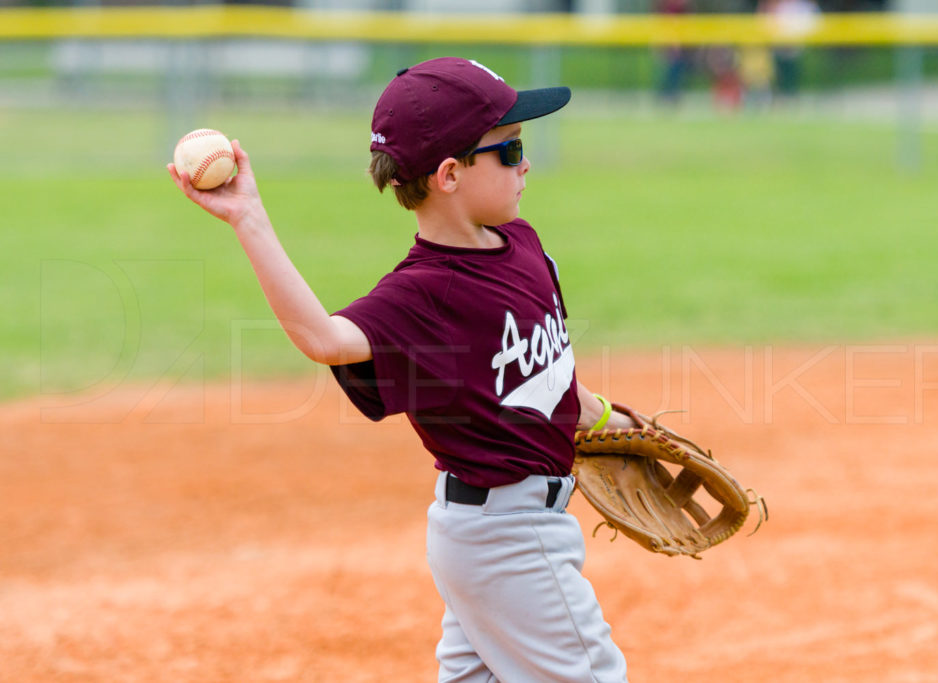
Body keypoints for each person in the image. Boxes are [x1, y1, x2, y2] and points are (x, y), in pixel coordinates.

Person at [167, 57, 633, 682]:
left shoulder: (521, 242)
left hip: (507, 531)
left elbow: (542, 376)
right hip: (509, 538)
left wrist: (603, 413)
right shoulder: (421, 297)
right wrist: (249, 217)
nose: (525, 163)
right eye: (509, 148)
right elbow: (324, 337)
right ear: (448, 174)